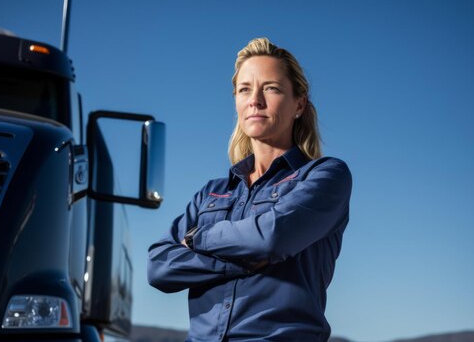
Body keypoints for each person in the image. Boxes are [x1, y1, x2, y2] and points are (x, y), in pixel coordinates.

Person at [148, 38, 352, 342]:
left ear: (299, 103)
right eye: (244, 89)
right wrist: (240, 259)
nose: (255, 100)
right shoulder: (212, 193)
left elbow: (270, 239)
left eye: (271, 88)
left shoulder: (325, 177)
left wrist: (197, 238)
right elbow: (159, 267)